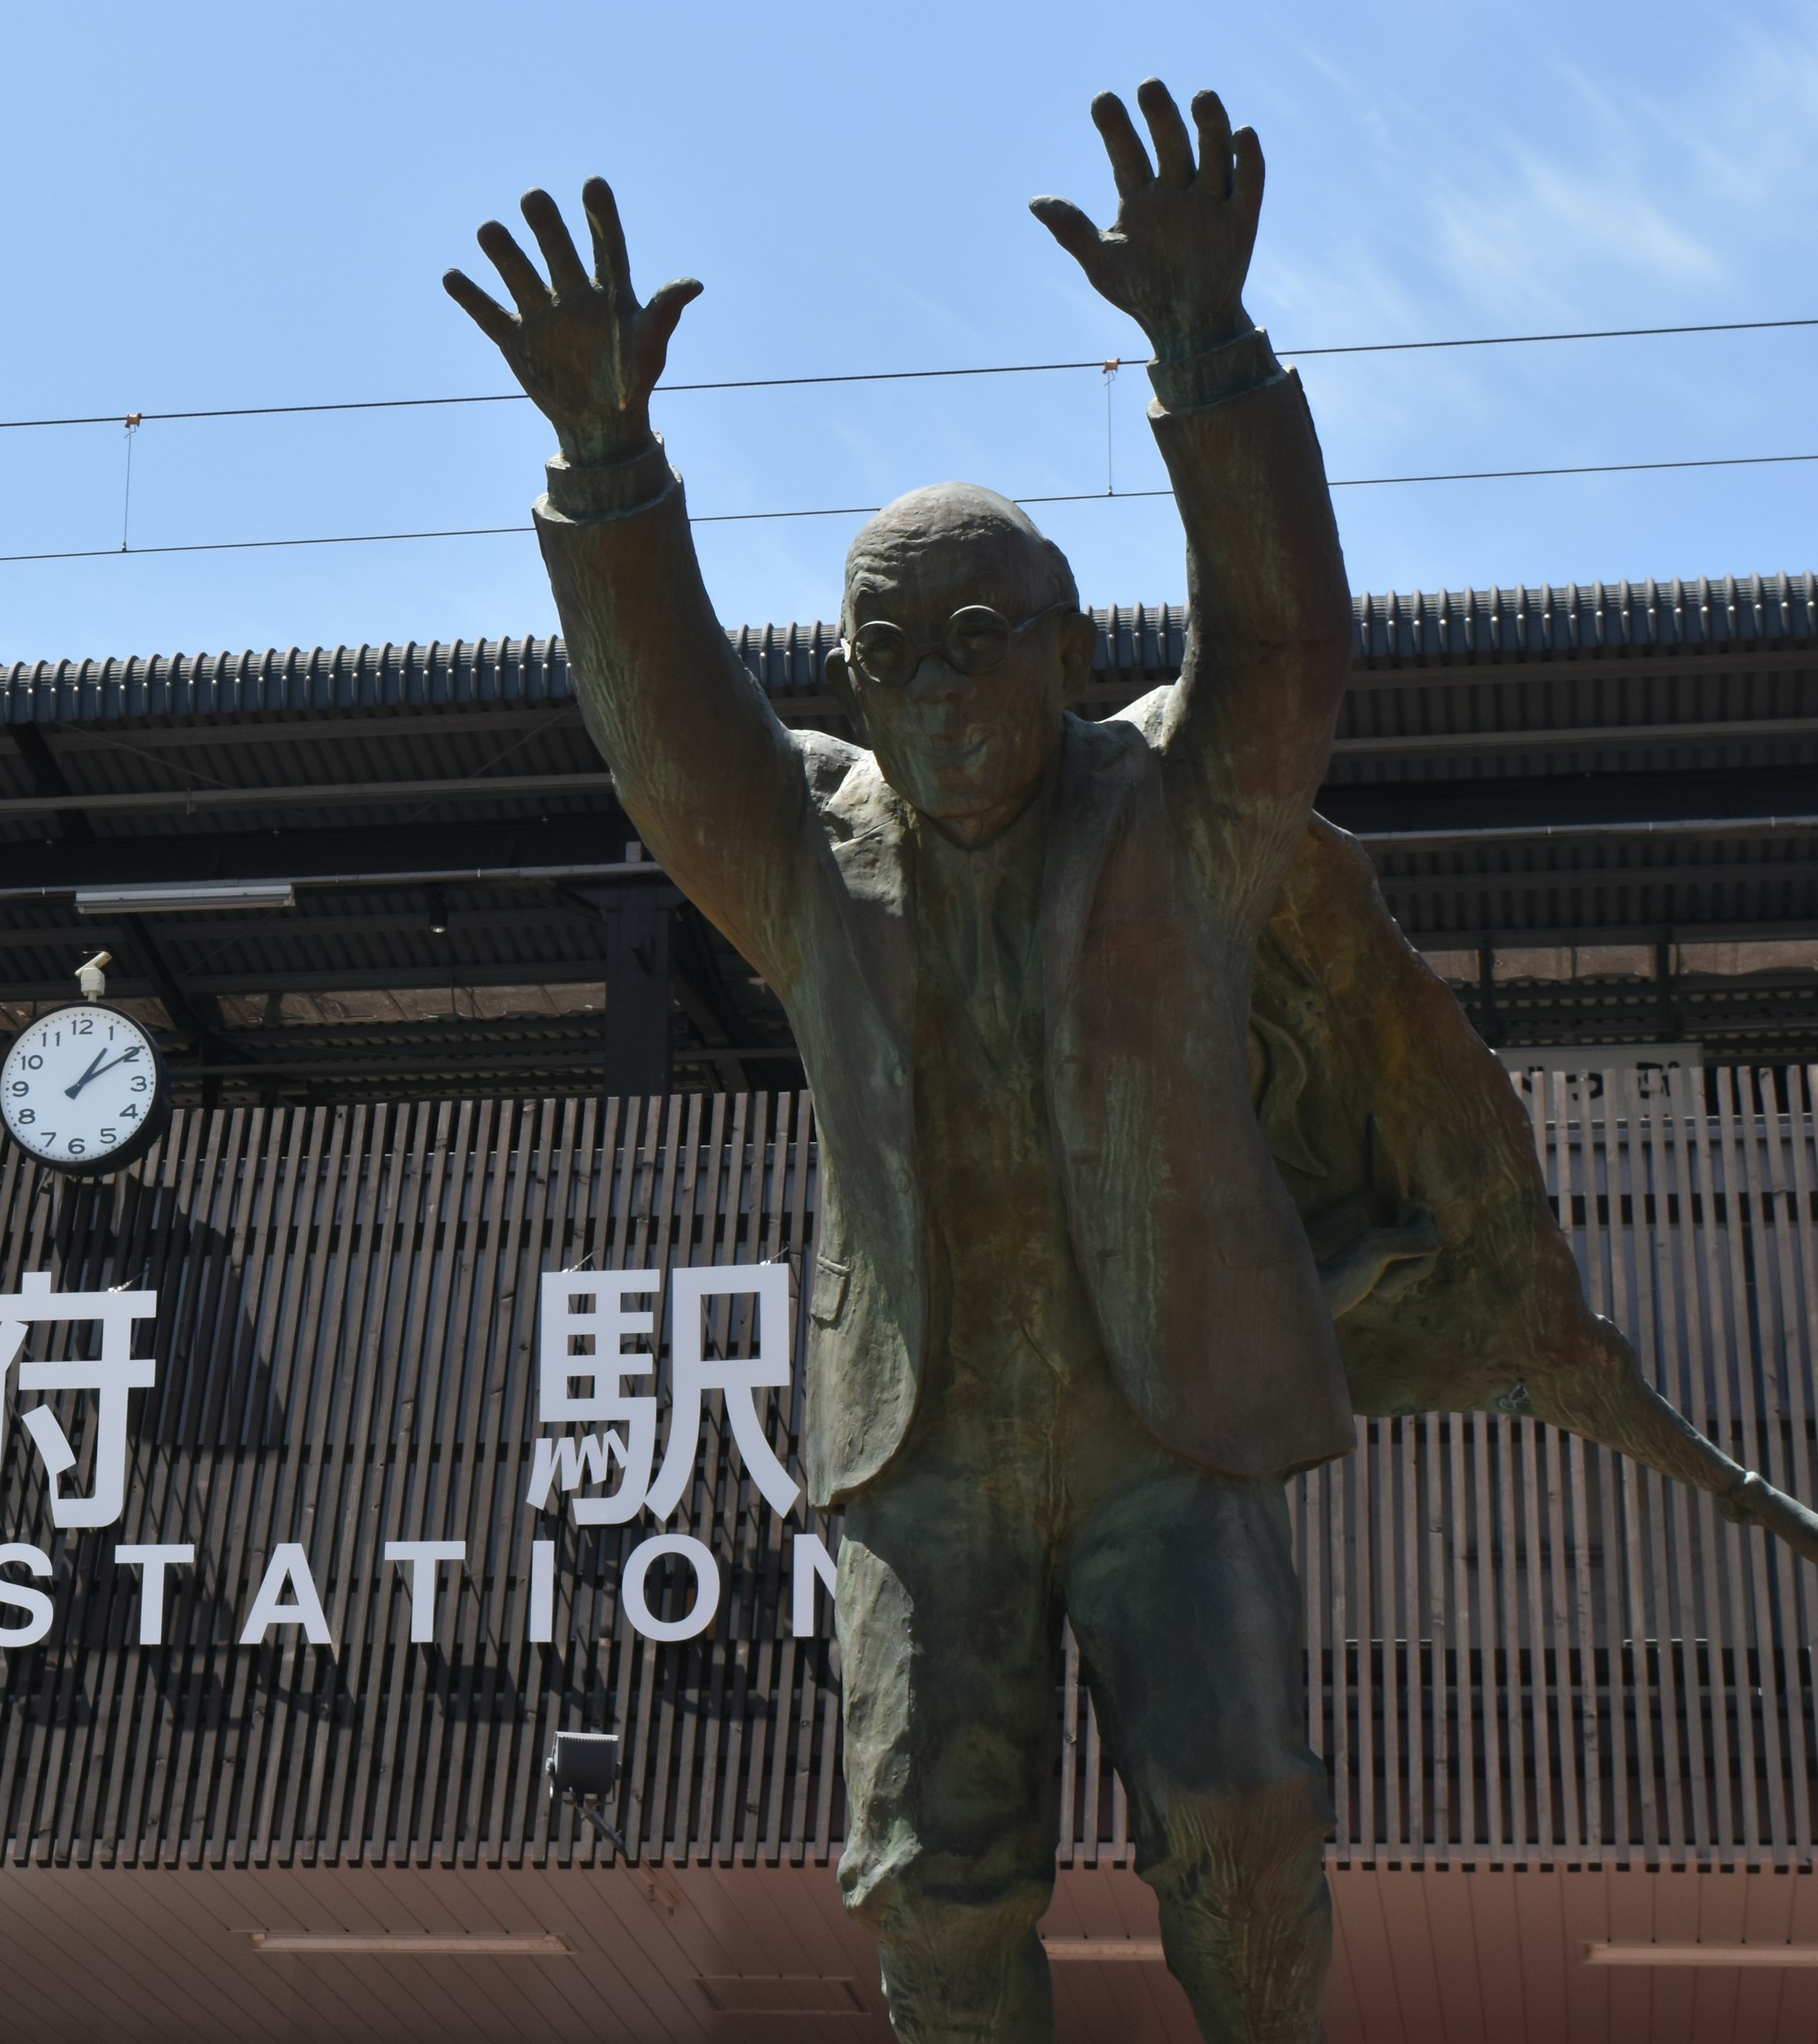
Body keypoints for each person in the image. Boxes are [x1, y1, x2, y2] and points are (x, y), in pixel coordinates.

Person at [449, 81, 1346, 2042]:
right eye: (891, 651)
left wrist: (1208, 360)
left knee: (1249, 1828)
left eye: (976, 636)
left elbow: (1281, 646)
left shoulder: (1175, 814)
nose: (937, 690)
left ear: (1063, 641)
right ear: (851, 680)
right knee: (932, 1891)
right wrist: (609, 467)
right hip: (920, 1441)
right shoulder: (807, 850)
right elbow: (669, 732)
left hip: (1162, 1426)